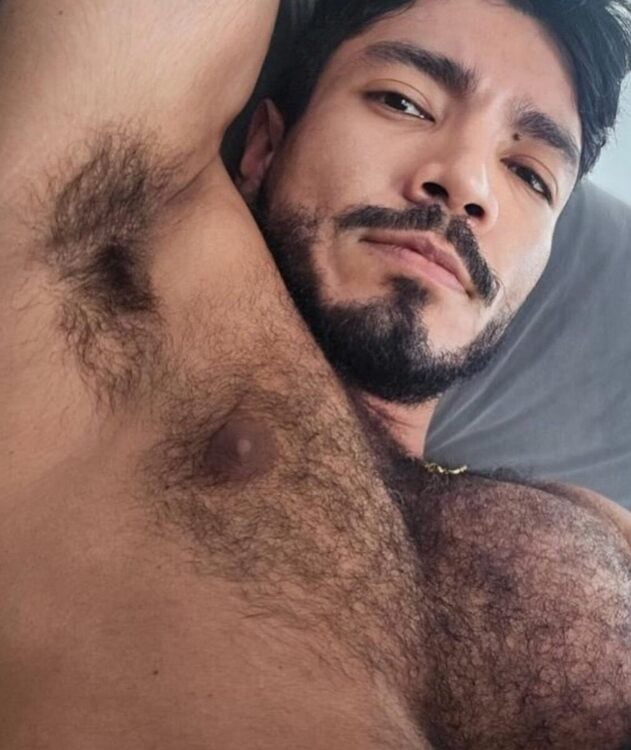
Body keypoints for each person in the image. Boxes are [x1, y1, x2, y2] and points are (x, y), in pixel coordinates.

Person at [0, 2, 629, 749]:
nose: (467, 184)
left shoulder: (593, 529)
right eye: (403, 101)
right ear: (264, 146)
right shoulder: (103, 284)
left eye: (528, 173)